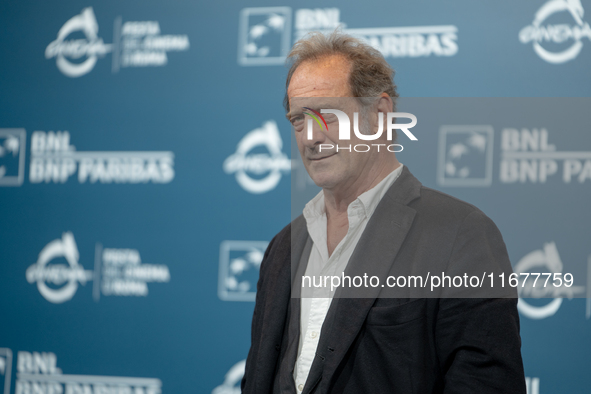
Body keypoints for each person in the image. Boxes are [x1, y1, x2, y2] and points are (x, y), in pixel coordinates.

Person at [241, 31, 525, 394]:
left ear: (379, 114)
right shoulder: (283, 248)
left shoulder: (460, 235)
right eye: (299, 119)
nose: (311, 136)